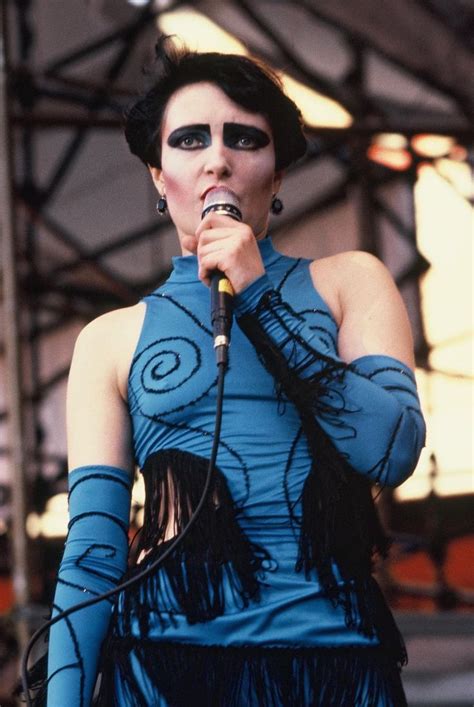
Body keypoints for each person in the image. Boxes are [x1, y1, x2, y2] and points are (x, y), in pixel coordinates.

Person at [44, 37, 426, 706]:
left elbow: (390, 451)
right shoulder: (110, 338)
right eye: (190, 140)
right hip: (163, 668)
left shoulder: (349, 283)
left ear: (276, 176)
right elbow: (93, 549)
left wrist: (260, 295)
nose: (217, 159)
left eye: (244, 140)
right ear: (159, 178)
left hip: (333, 664)